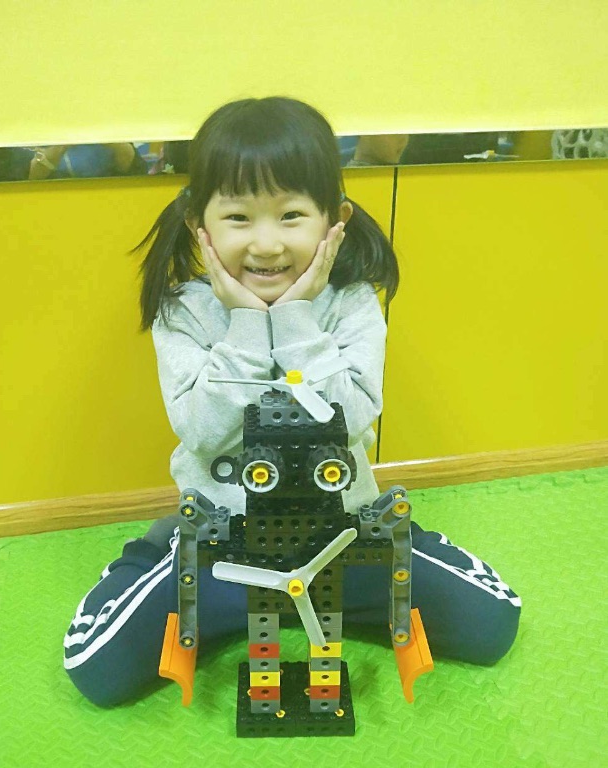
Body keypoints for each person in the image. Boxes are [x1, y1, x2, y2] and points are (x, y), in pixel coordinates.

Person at [63, 97, 521, 708]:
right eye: (238, 217)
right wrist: (248, 326)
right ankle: (158, 546)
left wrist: (298, 318)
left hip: (343, 540)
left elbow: (349, 419)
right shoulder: (185, 313)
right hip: (222, 549)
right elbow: (203, 431)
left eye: (291, 215)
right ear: (199, 223)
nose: (266, 244)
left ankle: (381, 559)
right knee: (97, 670)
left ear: (335, 220)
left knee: (492, 625)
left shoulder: (351, 303)